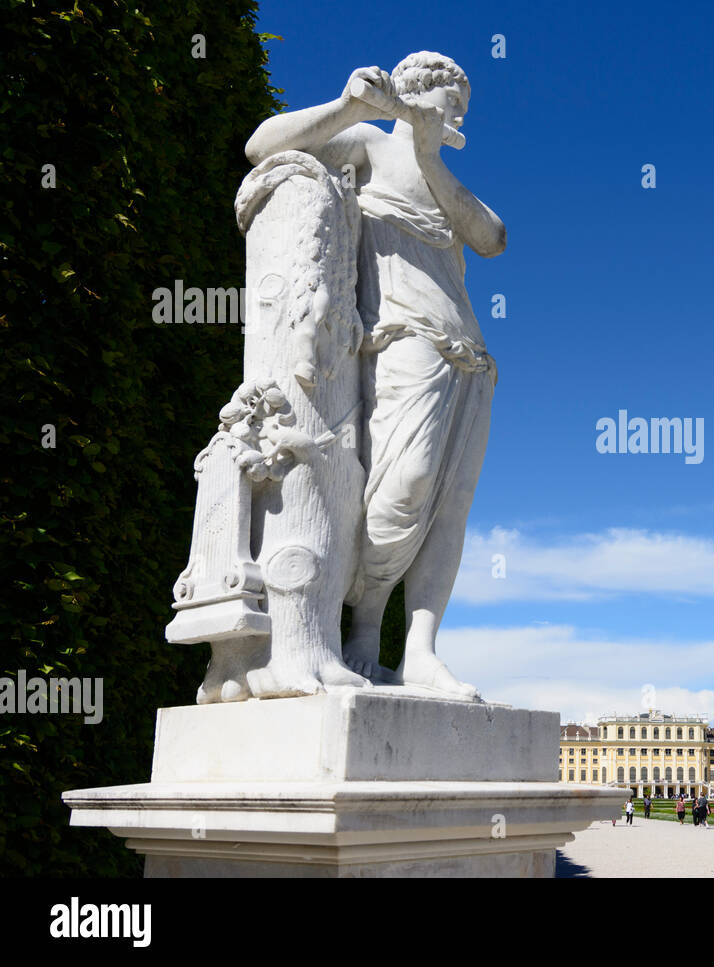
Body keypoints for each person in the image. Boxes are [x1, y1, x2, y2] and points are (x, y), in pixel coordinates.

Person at [244, 54, 507, 699]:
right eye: (452, 105)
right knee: (403, 486)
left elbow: (492, 237)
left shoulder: (441, 174)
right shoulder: (367, 144)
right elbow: (259, 147)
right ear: (418, 95)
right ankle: (363, 630)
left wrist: (430, 153)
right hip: (401, 341)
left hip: (469, 354)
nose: (458, 119)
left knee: (450, 508)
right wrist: (349, 106)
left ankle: (420, 648)